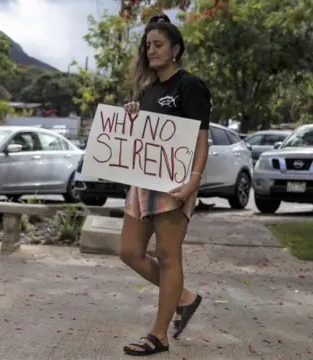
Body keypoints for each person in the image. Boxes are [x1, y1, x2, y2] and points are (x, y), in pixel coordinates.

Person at [120, 14, 212, 357]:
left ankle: (159, 334)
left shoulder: (190, 86)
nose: (151, 50)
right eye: (148, 45)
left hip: (174, 182)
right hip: (142, 182)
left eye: (158, 45)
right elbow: (143, 136)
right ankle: (184, 298)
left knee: (168, 256)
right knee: (129, 251)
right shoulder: (149, 90)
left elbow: (202, 139)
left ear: (175, 49)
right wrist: (133, 114)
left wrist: (193, 182)